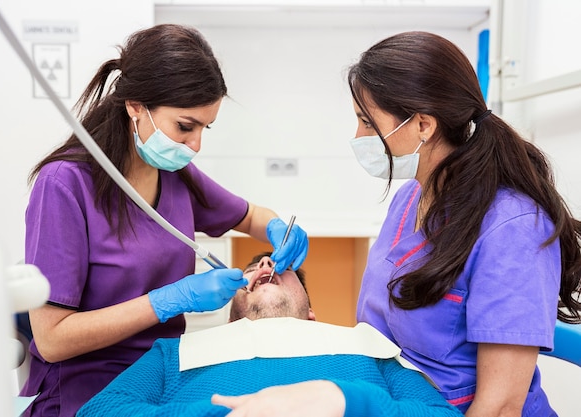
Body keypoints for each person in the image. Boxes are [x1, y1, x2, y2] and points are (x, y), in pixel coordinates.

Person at [209, 32, 581, 417]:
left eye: (367, 123)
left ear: (423, 125)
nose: (358, 137)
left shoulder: (513, 228)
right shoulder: (410, 198)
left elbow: (500, 407)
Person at [19, 24, 308, 417]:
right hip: (88, 392)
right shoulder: (64, 185)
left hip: (167, 378)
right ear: (135, 106)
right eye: (185, 127)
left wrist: (280, 230)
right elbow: (51, 339)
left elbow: (254, 216)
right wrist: (171, 299)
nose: (196, 145)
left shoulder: (174, 173)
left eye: (205, 128)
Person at [76, 253, 464, 417]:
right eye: (252, 267)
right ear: (230, 317)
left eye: (283, 267)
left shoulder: (364, 343)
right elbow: (97, 412)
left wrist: (344, 400)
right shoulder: (178, 351)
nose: (265, 264)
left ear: (312, 313)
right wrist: (236, 410)